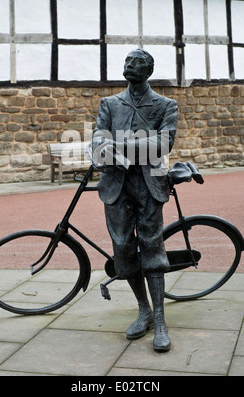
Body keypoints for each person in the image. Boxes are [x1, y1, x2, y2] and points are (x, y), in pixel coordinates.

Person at [92, 49, 178, 352]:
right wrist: (110, 146)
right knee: (124, 252)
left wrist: (120, 144)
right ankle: (143, 310)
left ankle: (160, 319)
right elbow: (98, 144)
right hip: (116, 186)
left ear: (149, 71)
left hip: (149, 184)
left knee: (153, 249)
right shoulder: (109, 104)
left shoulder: (166, 105)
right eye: (127, 62)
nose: (130, 66)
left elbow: (163, 142)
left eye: (137, 63)